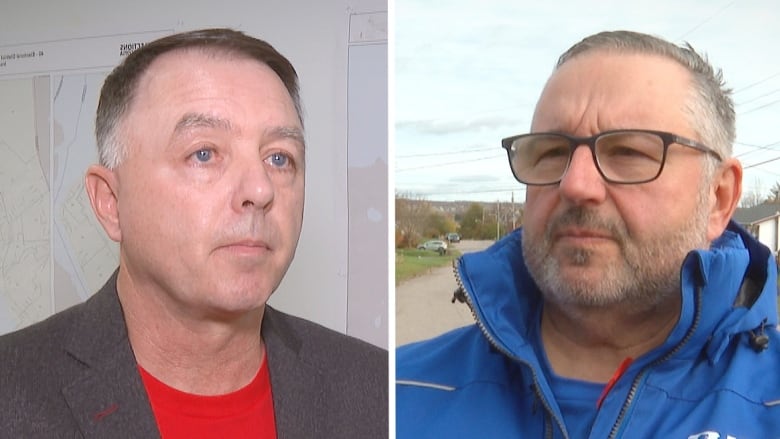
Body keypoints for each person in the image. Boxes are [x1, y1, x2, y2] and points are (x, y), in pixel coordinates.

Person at [0, 28, 387, 438]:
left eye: (279, 158)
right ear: (110, 202)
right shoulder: (12, 393)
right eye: (204, 153)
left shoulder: (376, 389)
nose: (260, 190)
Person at [396, 30, 780, 438]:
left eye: (629, 152)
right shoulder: (402, 390)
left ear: (719, 197)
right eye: (551, 152)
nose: (575, 184)